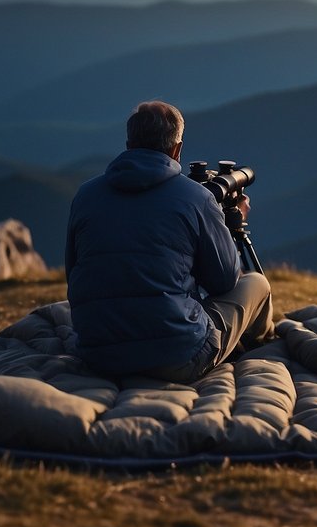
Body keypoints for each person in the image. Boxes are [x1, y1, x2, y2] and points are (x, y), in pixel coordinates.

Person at [65, 100, 274, 382]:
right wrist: (223, 226)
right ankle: (265, 344)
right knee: (256, 284)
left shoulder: (85, 195)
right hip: (179, 357)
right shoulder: (196, 198)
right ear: (177, 149)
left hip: (99, 356)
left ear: (129, 144)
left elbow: (74, 272)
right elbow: (223, 282)